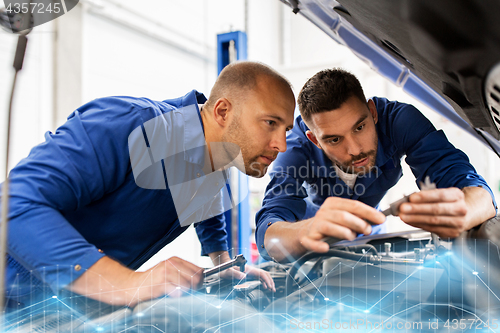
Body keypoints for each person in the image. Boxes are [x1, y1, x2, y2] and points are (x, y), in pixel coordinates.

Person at [1, 61, 296, 308]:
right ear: (222, 111)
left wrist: (223, 266)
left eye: (286, 129)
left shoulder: (215, 161)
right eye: (270, 123)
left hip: (61, 306)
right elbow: (13, 203)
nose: (281, 145)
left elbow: (208, 209)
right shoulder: (129, 124)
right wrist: (126, 284)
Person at [256, 68, 497, 262]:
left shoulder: (400, 122)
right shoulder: (294, 149)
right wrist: (305, 232)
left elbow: (473, 189)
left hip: (371, 240)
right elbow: (269, 232)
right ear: (315, 140)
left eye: (359, 127)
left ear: (372, 112)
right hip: (308, 250)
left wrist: (464, 212)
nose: (355, 149)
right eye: (334, 139)